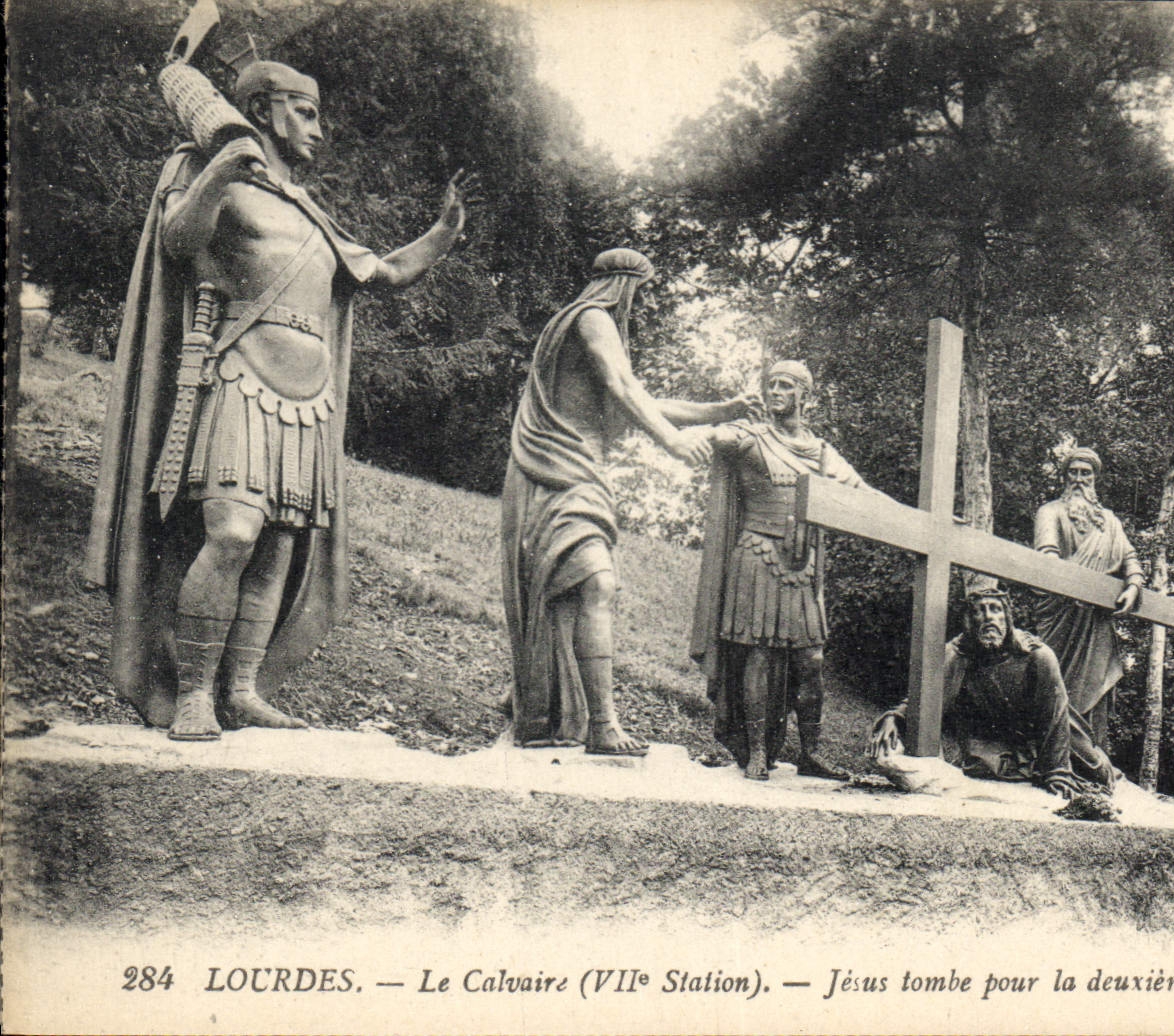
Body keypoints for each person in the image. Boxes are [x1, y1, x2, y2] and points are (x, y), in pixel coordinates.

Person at [86, 60, 466, 741]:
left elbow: (386, 272)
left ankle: (242, 688)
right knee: (232, 533)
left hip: (310, 399)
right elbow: (179, 240)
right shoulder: (213, 172)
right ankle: (193, 693)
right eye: (306, 112)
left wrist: (442, 233)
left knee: (276, 549)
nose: (319, 129)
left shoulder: (311, 213)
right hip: (240, 376)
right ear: (263, 109)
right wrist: (219, 171)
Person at [503, 248, 751, 754]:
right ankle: (602, 726)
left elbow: (640, 399)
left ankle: (547, 706)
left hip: (570, 474)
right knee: (597, 584)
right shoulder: (593, 318)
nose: (642, 303)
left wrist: (719, 410)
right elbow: (622, 385)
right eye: (642, 290)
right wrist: (673, 442)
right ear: (624, 285)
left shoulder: (577, 323)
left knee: (572, 593)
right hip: (562, 473)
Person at [689, 360, 873, 780]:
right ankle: (756, 752)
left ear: (805, 395)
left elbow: (864, 493)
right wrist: (711, 424)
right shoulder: (750, 436)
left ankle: (811, 752)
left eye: (786, 385)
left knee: (812, 660)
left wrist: (925, 520)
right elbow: (712, 437)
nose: (775, 392)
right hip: (757, 556)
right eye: (771, 384)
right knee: (758, 656)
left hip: (802, 567)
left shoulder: (821, 451)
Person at [868, 576, 1117, 798]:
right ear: (969, 621)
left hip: (1053, 733)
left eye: (995, 610)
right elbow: (928, 697)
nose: (988, 617)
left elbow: (1055, 714)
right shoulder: (957, 654)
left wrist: (1057, 771)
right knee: (986, 769)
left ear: (1007, 618)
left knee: (1098, 772)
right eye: (980, 611)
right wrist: (895, 717)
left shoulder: (1037, 655)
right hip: (993, 740)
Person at [1031, 446, 1145, 743]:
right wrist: (1074, 584)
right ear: (1064, 477)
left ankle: (1097, 755)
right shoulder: (1050, 512)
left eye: (1086, 473)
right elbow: (1047, 557)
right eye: (1074, 472)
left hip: (1097, 621)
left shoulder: (1110, 521)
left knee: (1097, 688)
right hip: (1062, 615)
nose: (1079, 479)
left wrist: (1133, 585)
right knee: (1055, 684)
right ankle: (1056, 756)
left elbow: (1130, 558)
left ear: (1095, 478)